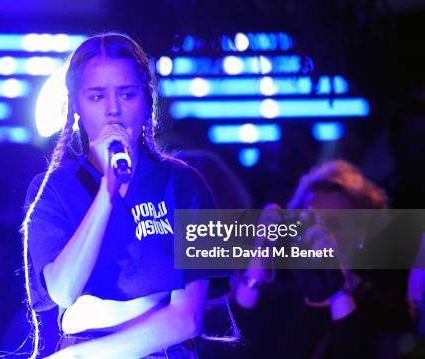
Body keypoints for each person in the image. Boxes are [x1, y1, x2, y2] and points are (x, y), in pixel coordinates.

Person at [22, 33, 215, 358]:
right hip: (81, 341)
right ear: (77, 106)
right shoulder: (51, 188)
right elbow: (63, 291)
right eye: (96, 97)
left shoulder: (186, 183)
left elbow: (189, 317)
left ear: (146, 101)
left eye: (126, 94)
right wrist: (107, 193)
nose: (113, 110)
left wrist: (82, 356)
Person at [231, 160, 414, 358]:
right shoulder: (279, 302)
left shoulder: (386, 308)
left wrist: (337, 286)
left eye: (333, 223)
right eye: (310, 221)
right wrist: (260, 254)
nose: (318, 234)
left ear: (363, 232)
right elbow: (231, 343)